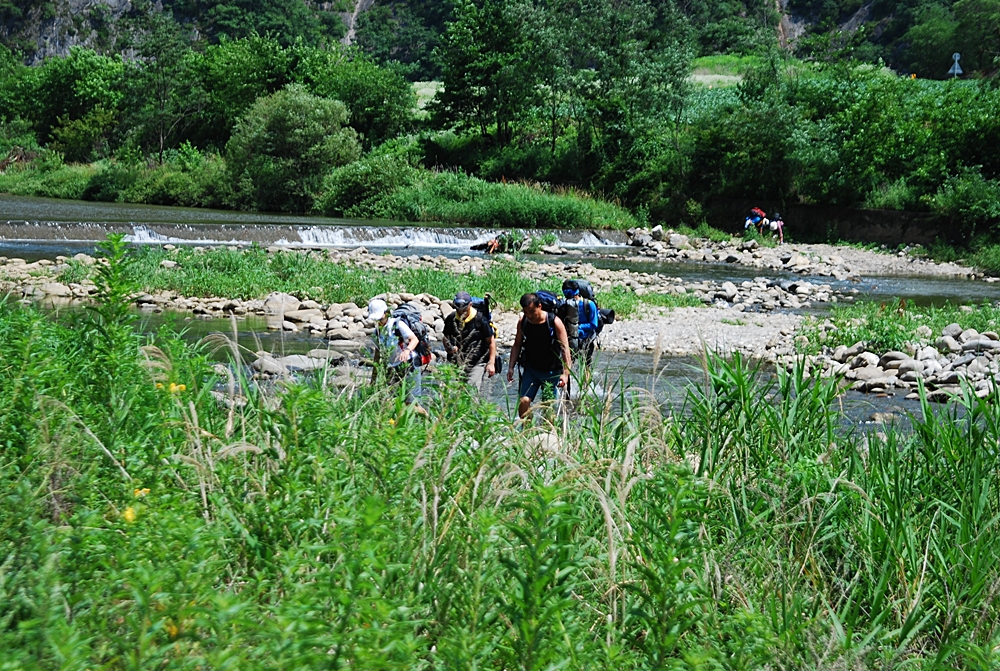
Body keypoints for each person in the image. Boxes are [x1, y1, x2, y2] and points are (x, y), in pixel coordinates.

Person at [506, 292, 572, 420]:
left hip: (552, 372)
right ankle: (527, 431)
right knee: (523, 402)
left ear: (540, 306)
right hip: (531, 370)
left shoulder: (554, 322)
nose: (529, 315)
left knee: (548, 409)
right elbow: (517, 345)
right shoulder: (523, 322)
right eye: (526, 312)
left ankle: (549, 435)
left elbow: (565, 348)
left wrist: (565, 373)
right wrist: (511, 367)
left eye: (532, 311)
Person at [367, 298, 426, 412]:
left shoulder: (397, 324)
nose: (379, 321)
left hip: (409, 366)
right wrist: (373, 380)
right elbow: (377, 356)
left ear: (386, 313)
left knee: (412, 404)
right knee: (391, 401)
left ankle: (431, 422)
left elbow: (414, 339)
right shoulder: (377, 333)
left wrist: (407, 350)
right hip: (392, 368)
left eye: (380, 318)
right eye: (376, 319)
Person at [443, 291, 497, 393]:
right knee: (456, 393)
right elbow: (445, 337)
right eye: (458, 308)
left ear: (470, 305)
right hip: (456, 362)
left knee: (471, 392)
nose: (461, 311)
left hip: (478, 362)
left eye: (464, 308)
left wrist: (491, 363)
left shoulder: (480, 320)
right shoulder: (451, 319)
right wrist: (449, 349)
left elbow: (491, 342)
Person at [560, 280, 599, 365]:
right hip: (570, 339)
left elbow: (594, 324)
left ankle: (586, 378)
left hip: (586, 339)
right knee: (567, 363)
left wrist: (579, 327)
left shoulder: (589, 304)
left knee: (586, 364)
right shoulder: (564, 305)